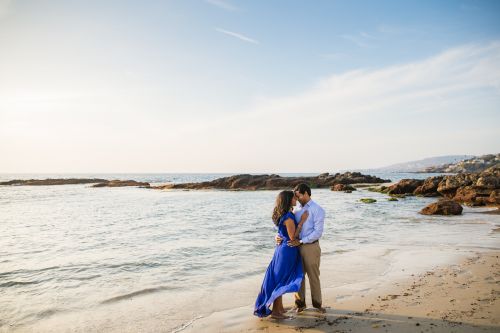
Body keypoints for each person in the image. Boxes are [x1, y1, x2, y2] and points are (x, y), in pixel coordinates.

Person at [254, 190, 309, 319]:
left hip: (282, 249)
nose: (296, 199)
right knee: (281, 280)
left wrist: (279, 237)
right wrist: (302, 222)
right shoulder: (289, 217)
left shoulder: (285, 214)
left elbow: (281, 233)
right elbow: (292, 237)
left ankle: (279, 308)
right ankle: (276, 313)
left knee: (280, 279)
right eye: (293, 198)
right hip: (287, 250)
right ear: (288, 200)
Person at [278, 183, 326, 313]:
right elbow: (286, 226)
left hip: (310, 247)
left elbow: (318, 232)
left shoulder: (317, 209)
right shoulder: (295, 210)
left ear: (306, 193)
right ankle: (300, 304)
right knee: (298, 276)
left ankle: (317, 304)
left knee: (313, 276)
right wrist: (278, 236)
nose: (296, 198)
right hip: (295, 248)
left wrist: (301, 241)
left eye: (298, 195)